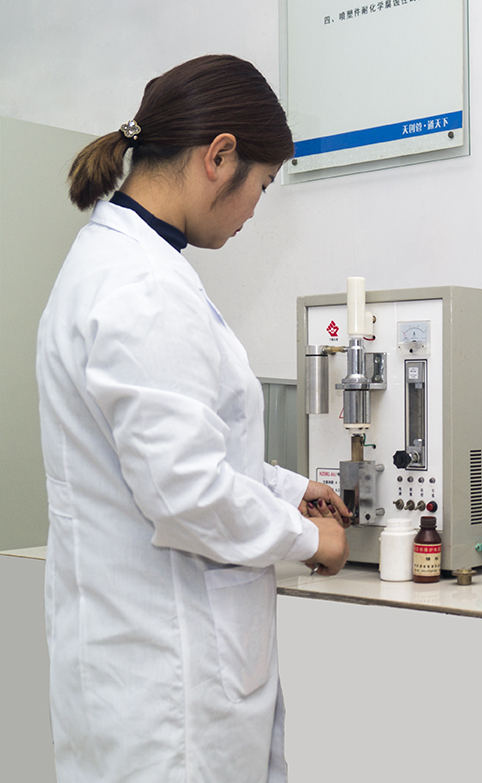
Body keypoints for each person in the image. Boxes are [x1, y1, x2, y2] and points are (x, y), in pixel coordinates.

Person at [36, 54, 350, 782]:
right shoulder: (143, 289)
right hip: (165, 692)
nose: (253, 213)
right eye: (261, 187)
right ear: (219, 156)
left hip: (132, 669)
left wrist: (287, 488)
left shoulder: (118, 263)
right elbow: (187, 493)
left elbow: (174, 450)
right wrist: (313, 539)